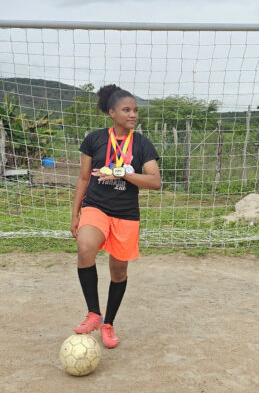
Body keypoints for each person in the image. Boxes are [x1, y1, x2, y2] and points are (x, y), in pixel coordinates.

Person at [70, 84, 161, 348]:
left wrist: (121, 173)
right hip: (95, 206)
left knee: (118, 271)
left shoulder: (142, 144)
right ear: (112, 112)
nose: (133, 114)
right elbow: (84, 177)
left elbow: (155, 181)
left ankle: (108, 323)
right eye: (126, 110)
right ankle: (93, 314)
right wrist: (75, 213)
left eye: (135, 110)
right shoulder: (95, 140)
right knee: (85, 246)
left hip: (126, 214)